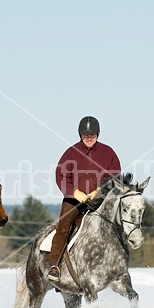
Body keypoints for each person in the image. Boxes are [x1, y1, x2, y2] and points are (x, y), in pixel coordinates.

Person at [48, 116, 121, 281]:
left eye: (92, 136)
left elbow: (115, 175)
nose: (89, 139)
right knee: (63, 226)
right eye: (85, 136)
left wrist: (100, 190)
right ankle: (54, 266)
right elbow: (61, 176)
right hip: (74, 201)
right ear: (80, 135)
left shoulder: (108, 153)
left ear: (98, 134)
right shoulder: (71, 153)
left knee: (116, 224)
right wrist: (74, 192)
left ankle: (117, 263)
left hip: (100, 200)